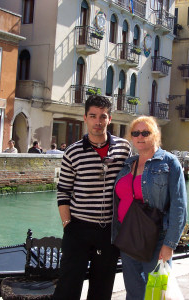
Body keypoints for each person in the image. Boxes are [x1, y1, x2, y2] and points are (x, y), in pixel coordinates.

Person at [54, 95, 131, 300]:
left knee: (102, 288)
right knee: (68, 286)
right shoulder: (72, 152)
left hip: (109, 232)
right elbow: (63, 191)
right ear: (85, 118)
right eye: (93, 116)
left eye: (102, 117)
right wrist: (67, 225)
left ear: (110, 119)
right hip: (77, 229)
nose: (98, 122)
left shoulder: (124, 149)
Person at [112, 116, 187, 300]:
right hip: (128, 238)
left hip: (156, 241)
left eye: (145, 132)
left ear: (155, 135)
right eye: (135, 133)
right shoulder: (127, 164)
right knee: (134, 292)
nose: (140, 136)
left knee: (155, 294)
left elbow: (179, 206)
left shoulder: (169, 163)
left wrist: (169, 245)